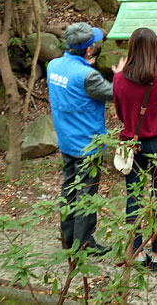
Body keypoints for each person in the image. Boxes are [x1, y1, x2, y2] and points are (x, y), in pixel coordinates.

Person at [47, 22, 124, 255]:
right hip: (87, 145)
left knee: (69, 189)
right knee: (86, 194)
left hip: (66, 140)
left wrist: (84, 65)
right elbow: (114, 93)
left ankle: (68, 238)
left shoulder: (53, 66)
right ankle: (83, 244)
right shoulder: (88, 76)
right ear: (88, 50)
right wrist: (119, 76)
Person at [113, 27, 157, 271]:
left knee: (133, 198)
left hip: (132, 143)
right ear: (154, 50)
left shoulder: (119, 79)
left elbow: (120, 113)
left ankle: (137, 253)